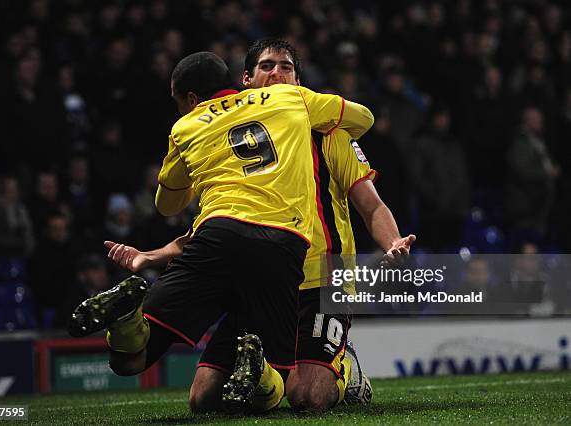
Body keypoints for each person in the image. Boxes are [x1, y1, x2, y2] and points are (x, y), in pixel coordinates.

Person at [104, 39, 413, 412]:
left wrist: (393, 241)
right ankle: (267, 371)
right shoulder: (226, 134)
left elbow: (371, 205)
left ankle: (346, 367)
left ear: (300, 82)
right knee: (204, 398)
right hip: (259, 276)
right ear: (246, 81)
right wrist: (154, 255)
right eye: (267, 66)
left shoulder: (331, 136)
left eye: (286, 68)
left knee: (308, 396)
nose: (278, 73)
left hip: (321, 281)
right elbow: (220, 220)